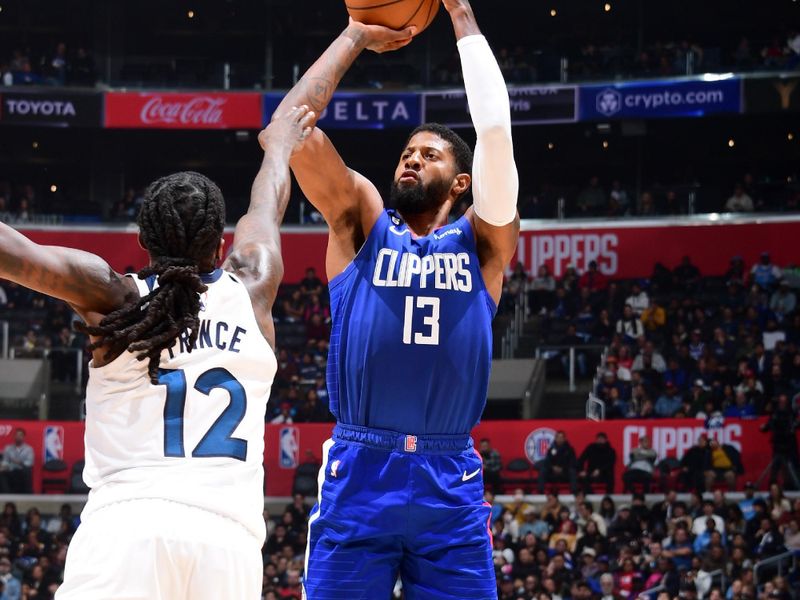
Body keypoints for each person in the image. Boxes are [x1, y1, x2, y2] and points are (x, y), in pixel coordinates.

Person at [0, 109, 314, 599]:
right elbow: (266, 209)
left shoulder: (114, 298)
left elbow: (12, 251)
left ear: (143, 240)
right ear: (221, 245)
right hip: (227, 542)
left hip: (128, 527)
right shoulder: (254, 290)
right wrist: (278, 150)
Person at [275, 2, 519, 597]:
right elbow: (287, 130)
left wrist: (461, 15)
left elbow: (494, 134)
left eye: (428, 154)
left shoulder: (484, 243)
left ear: (463, 181)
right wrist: (355, 35)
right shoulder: (363, 221)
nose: (411, 158)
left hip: (449, 477)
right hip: (362, 467)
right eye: (407, 152)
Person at [0, 429, 34, 494]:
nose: (18, 437)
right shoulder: (8, 448)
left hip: (22, 470)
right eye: (16, 435)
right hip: (10, 470)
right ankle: (6, 495)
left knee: (26, 471)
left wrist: (20, 462)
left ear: (24, 437)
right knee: (1, 473)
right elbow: (5, 461)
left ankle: (27, 495)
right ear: (14, 437)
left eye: (20, 435)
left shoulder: (29, 449)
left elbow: (30, 462)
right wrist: (3, 466)